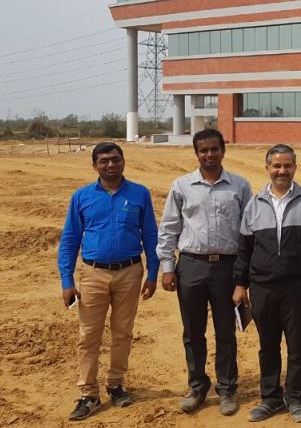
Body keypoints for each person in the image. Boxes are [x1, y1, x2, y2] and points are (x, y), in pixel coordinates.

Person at [57, 142, 159, 421]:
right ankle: (88, 393)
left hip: (130, 273)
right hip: (92, 275)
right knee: (88, 336)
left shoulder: (139, 194)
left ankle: (116, 385)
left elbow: (150, 235)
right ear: (95, 166)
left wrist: (153, 273)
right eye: (104, 161)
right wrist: (67, 280)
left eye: (115, 159)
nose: (110, 165)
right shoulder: (82, 197)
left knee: (122, 333)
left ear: (123, 161)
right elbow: (69, 240)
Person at [156, 128, 253, 416]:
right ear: (196, 153)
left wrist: (243, 276)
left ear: (224, 150)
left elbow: (248, 233)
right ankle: (197, 385)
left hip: (227, 267)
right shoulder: (181, 185)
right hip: (191, 266)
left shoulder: (240, 186)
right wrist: (167, 267)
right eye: (203, 150)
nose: (209, 155)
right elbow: (169, 228)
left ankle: (227, 389)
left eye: (214, 149)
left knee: (226, 331)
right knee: (193, 331)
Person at [233, 144, 301, 423]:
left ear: (295, 168)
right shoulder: (254, 204)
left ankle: (296, 398)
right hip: (261, 286)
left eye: (287, 165)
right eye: (276, 166)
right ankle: (271, 398)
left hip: (298, 286)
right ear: (267, 169)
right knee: (268, 345)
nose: (282, 171)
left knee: (297, 344)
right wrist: (240, 284)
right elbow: (244, 250)